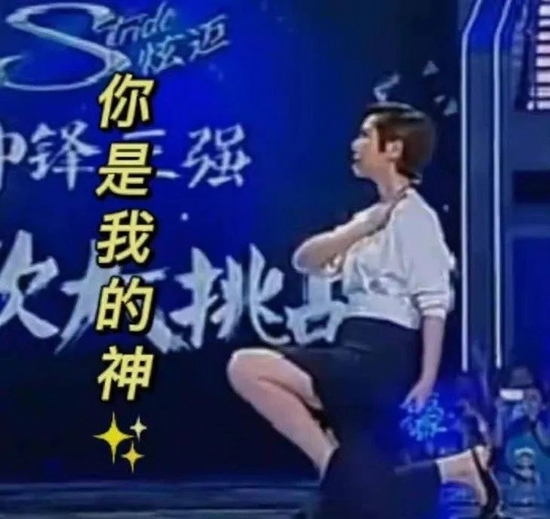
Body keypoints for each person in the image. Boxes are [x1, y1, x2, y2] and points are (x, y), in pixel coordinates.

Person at [227, 102, 500, 518]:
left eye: (365, 136)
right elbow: (305, 260)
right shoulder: (372, 218)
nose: (355, 145)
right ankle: (457, 467)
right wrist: (363, 225)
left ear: (393, 149)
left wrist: (426, 377)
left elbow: (434, 303)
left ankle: (332, 468)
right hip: (353, 344)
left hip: (379, 356)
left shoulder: (416, 218)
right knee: (359, 503)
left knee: (247, 367)